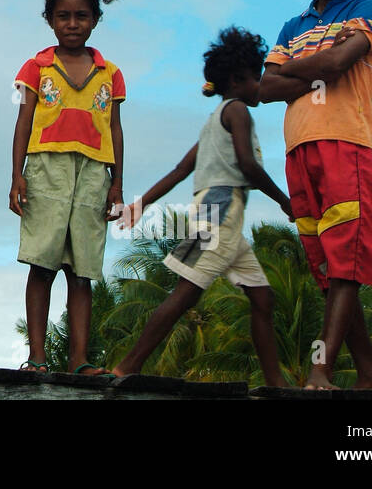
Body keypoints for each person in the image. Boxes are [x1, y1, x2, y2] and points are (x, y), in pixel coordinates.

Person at [110, 27, 292, 385]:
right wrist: (286, 202)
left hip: (221, 218)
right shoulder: (238, 111)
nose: (260, 85)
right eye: (257, 78)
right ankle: (128, 366)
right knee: (184, 294)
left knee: (263, 298)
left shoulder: (213, 122)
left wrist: (139, 205)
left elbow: (180, 170)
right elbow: (248, 165)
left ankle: (276, 383)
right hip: (219, 214)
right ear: (239, 79)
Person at [258, 0, 372, 389]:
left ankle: (322, 369)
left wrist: (295, 69)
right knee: (326, 264)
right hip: (297, 149)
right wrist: (306, 69)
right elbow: (264, 88)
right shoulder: (292, 24)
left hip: (345, 142)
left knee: (347, 257)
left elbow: (338, 64)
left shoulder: (368, 7)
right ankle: (371, 373)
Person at [9, 0, 124, 374]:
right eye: (63, 16)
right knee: (43, 265)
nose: (72, 24)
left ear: (94, 19)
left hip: (94, 172)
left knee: (82, 271)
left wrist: (117, 184)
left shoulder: (110, 73)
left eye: (81, 16)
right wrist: (16, 175)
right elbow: (23, 121)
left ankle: (78, 360)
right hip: (46, 169)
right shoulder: (36, 68)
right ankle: (36, 358)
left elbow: (114, 127)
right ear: (50, 19)